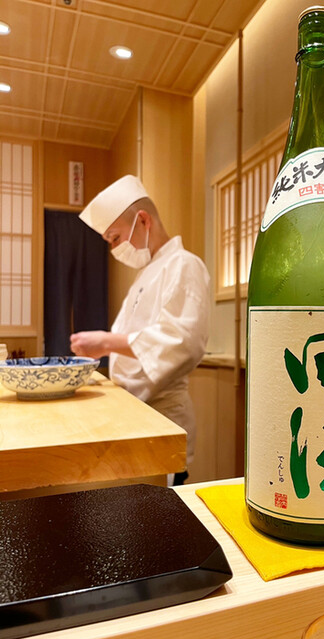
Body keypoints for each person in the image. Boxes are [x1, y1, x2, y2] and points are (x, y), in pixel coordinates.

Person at [70, 175, 210, 485]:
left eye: (115, 238)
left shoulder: (185, 265)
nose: (114, 249)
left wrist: (107, 342)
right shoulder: (147, 274)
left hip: (163, 417)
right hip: (135, 413)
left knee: (157, 507)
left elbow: (182, 342)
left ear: (143, 221)